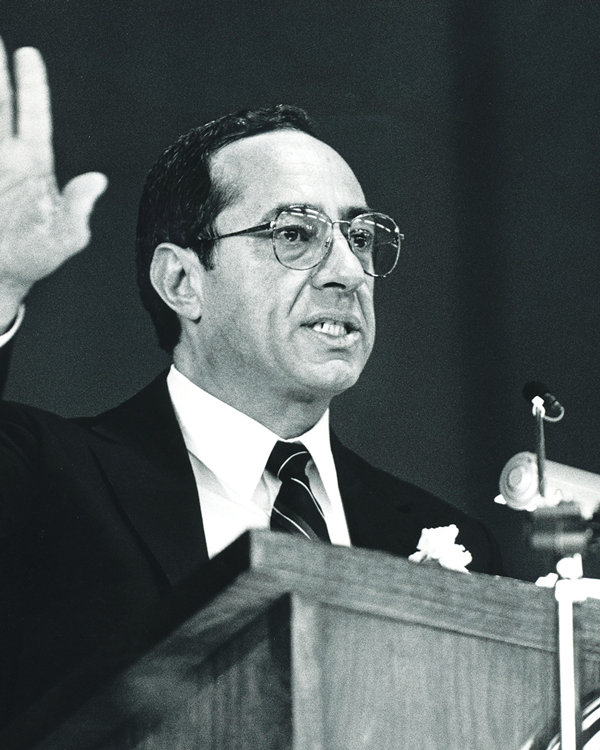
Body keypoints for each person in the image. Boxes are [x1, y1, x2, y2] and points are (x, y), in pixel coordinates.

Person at [0, 43, 502, 731]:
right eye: (295, 234)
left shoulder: (442, 536)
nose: (349, 272)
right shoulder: (42, 477)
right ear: (182, 282)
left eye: (360, 238)